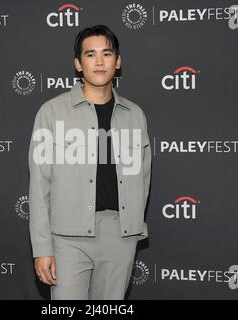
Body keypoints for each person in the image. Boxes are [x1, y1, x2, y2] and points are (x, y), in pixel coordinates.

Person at [28, 25, 151, 300]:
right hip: (67, 238)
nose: (99, 62)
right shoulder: (51, 113)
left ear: (117, 61)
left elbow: (143, 177)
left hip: (120, 237)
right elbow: (39, 185)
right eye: (90, 54)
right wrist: (42, 247)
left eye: (106, 54)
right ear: (78, 64)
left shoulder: (135, 116)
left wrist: (130, 230)